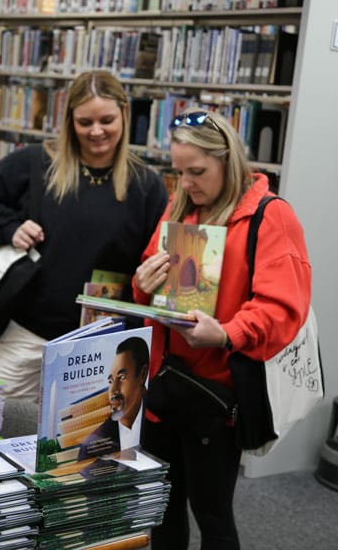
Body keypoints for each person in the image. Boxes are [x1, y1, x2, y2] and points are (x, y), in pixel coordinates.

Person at [133, 107, 312, 550]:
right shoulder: (180, 208)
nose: (186, 184)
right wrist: (142, 285)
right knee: (162, 509)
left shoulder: (271, 217)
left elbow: (283, 308)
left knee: (212, 515)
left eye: (197, 171)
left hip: (216, 394)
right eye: (178, 172)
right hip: (164, 385)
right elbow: (151, 287)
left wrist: (228, 333)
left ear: (227, 160)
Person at [0, 69, 168, 401]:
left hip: (100, 343)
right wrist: (10, 227)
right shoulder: (36, 163)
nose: (97, 131)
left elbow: (154, 257)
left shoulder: (146, 185)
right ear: (70, 121)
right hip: (25, 333)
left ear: (125, 115)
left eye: (107, 120)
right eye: (85, 122)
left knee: (80, 445)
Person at [78, 336, 149, 459]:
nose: (113, 390)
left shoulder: (160, 422)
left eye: (122, 377)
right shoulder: (93, 446)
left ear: (142, 375)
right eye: (111, 381)